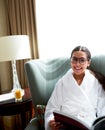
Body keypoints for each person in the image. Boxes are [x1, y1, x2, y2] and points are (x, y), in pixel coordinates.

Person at [44, 46, 105, 130]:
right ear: (70, 61)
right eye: (74, 59)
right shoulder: (62, 83)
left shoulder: (96, 82)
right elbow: (52, 108)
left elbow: (103, 108)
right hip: (65, 125)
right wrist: (50, 122)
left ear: (88, 62)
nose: (77, 64)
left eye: (82, 60)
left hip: (88, 125)